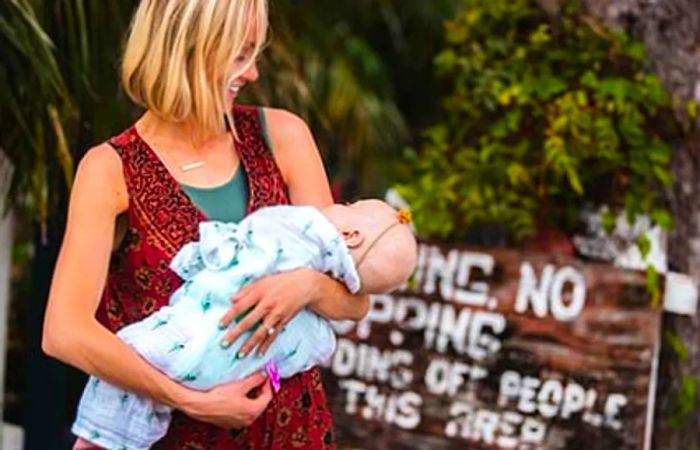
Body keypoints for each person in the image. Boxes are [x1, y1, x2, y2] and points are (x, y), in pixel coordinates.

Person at [42, 0, 373, 448]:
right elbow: (64, 331)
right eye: (239, 55)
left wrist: (307, 287)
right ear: (189, 50)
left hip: (295, 431)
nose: (253, 73)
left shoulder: (284, 137)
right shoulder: (110, 169)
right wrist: (189, 400)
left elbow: (356, 303)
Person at [72, 200, 417, 450]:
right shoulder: (319, 334)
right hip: (223, 387)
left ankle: (100, 437)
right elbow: (282, 366)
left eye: (349, 204)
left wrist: (308, 284)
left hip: (188, 346)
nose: (337, 203)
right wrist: (197, 398)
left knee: (133, 359)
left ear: (351, 235)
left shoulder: (304, 229)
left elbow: (357, 305)